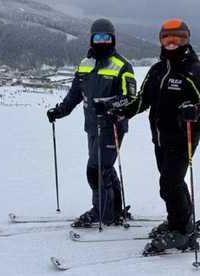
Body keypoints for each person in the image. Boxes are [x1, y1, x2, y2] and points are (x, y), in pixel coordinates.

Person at [107, 19, 200, 253]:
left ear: (187, 40)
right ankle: (181, 220)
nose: (172, 43)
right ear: (160, 40)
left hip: (183, 137)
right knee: (171, 183)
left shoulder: (194, 70)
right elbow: (142, 101)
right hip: (159, 138)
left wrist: (197, 111)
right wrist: (123, 112)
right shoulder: (157, 70)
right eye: (167, 38)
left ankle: (182, 233)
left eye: (178, 38)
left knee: (169, 183)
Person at [46, 19, 137, 227]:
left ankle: (102, 212)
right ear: (92, 38)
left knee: (96, 169)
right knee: (104, 168)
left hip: (112, 126)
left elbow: (131, 98)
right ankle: (114, 209)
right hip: (91, 127)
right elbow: (75, 94)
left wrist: (109, 105)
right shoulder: (85, 64)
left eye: (107, 37)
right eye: (98, 37)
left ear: (113, 39)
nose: (102, 41)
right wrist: (60, 111)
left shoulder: (123, 66)